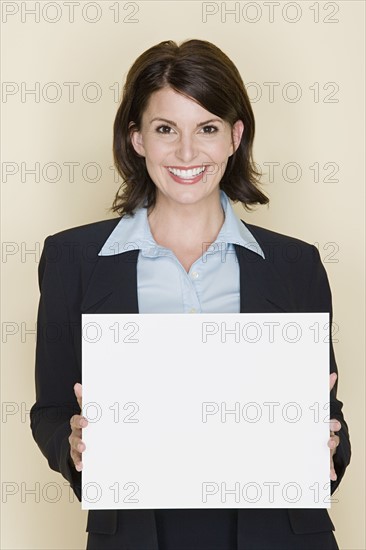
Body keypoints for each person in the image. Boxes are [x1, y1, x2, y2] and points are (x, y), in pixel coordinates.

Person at [30, 39, 351, 550]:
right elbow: (49, 410)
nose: (186, 153)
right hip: (138, 533)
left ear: (234, 136)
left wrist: (327, 444)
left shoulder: (296, 265)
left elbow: (327, 421)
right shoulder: (74, 260)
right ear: (136, 138)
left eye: (207, 128)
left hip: (279, 534)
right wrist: (72, 444)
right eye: (165, 129)